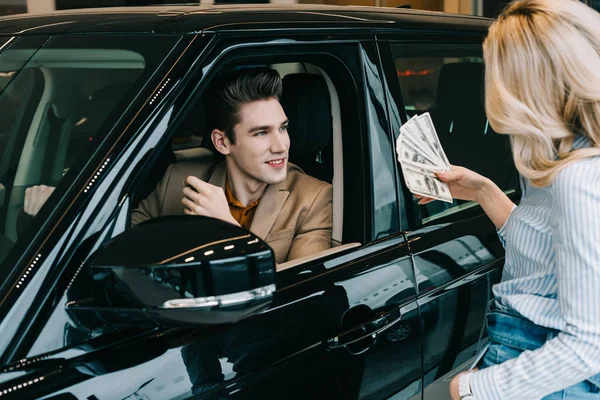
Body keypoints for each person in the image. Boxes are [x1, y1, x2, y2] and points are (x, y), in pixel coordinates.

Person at [417, 1, 600, 399]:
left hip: (545, 366)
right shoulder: (560, 156)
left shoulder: (577, 177)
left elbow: (589, 344)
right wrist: (484, 191)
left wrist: (474, 388)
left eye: (494, 71)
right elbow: (546, 254)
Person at [24, 67, 333, 265]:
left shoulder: (313, 197)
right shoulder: (178, 179)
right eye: (261, 132)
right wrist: (63, 212)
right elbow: (116, 242)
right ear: (223, 142)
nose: (281, 145)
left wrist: (228, 229)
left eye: (283, 127)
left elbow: (297, 295)